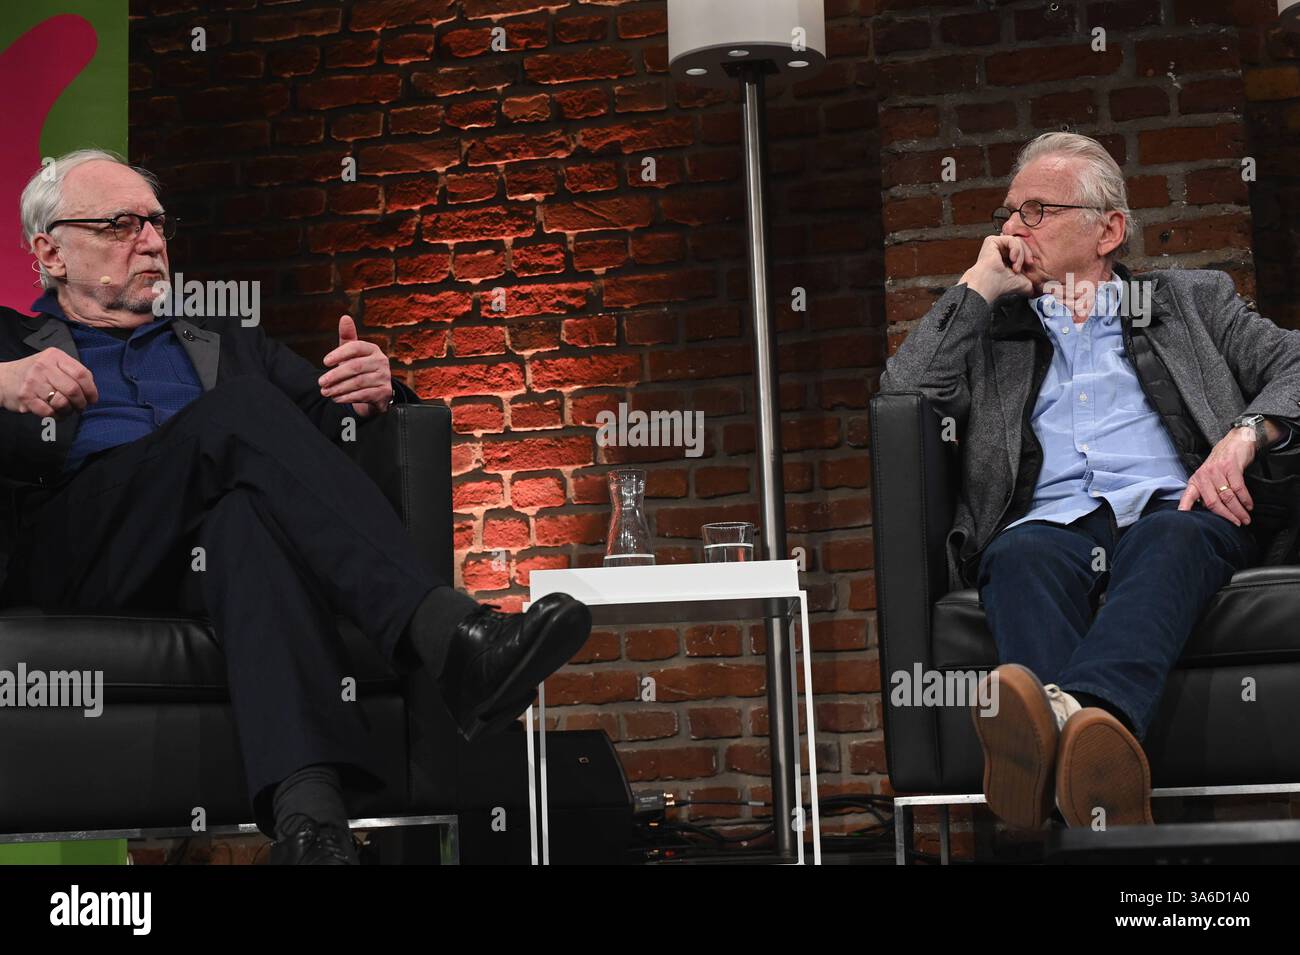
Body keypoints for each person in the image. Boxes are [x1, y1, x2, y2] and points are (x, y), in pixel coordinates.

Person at [0, 149, 593, 864]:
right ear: (50, 252)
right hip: (82, 545)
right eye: (122, 224)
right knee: (241, 413)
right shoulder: (11, 341)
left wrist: (374, 389)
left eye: (157, 223)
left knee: (244, 520)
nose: (153, 241)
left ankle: (312, 826)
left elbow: (323, 430)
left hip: (200, 557)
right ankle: (447, 633)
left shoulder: (223, 342)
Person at [879, 132, 1300, 831]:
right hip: (1049, 526)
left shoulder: (1192, 301)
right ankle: (1095, 762)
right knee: (1018, 555)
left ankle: (1060, 730)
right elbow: (903, 394)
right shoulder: (991, 327)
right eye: (1008, 213)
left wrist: (1246, 432)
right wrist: (977, 287)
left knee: (1170, 537)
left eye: (1036, 210)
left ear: (1109, 229)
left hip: (1176, 511)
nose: (1013, 228)